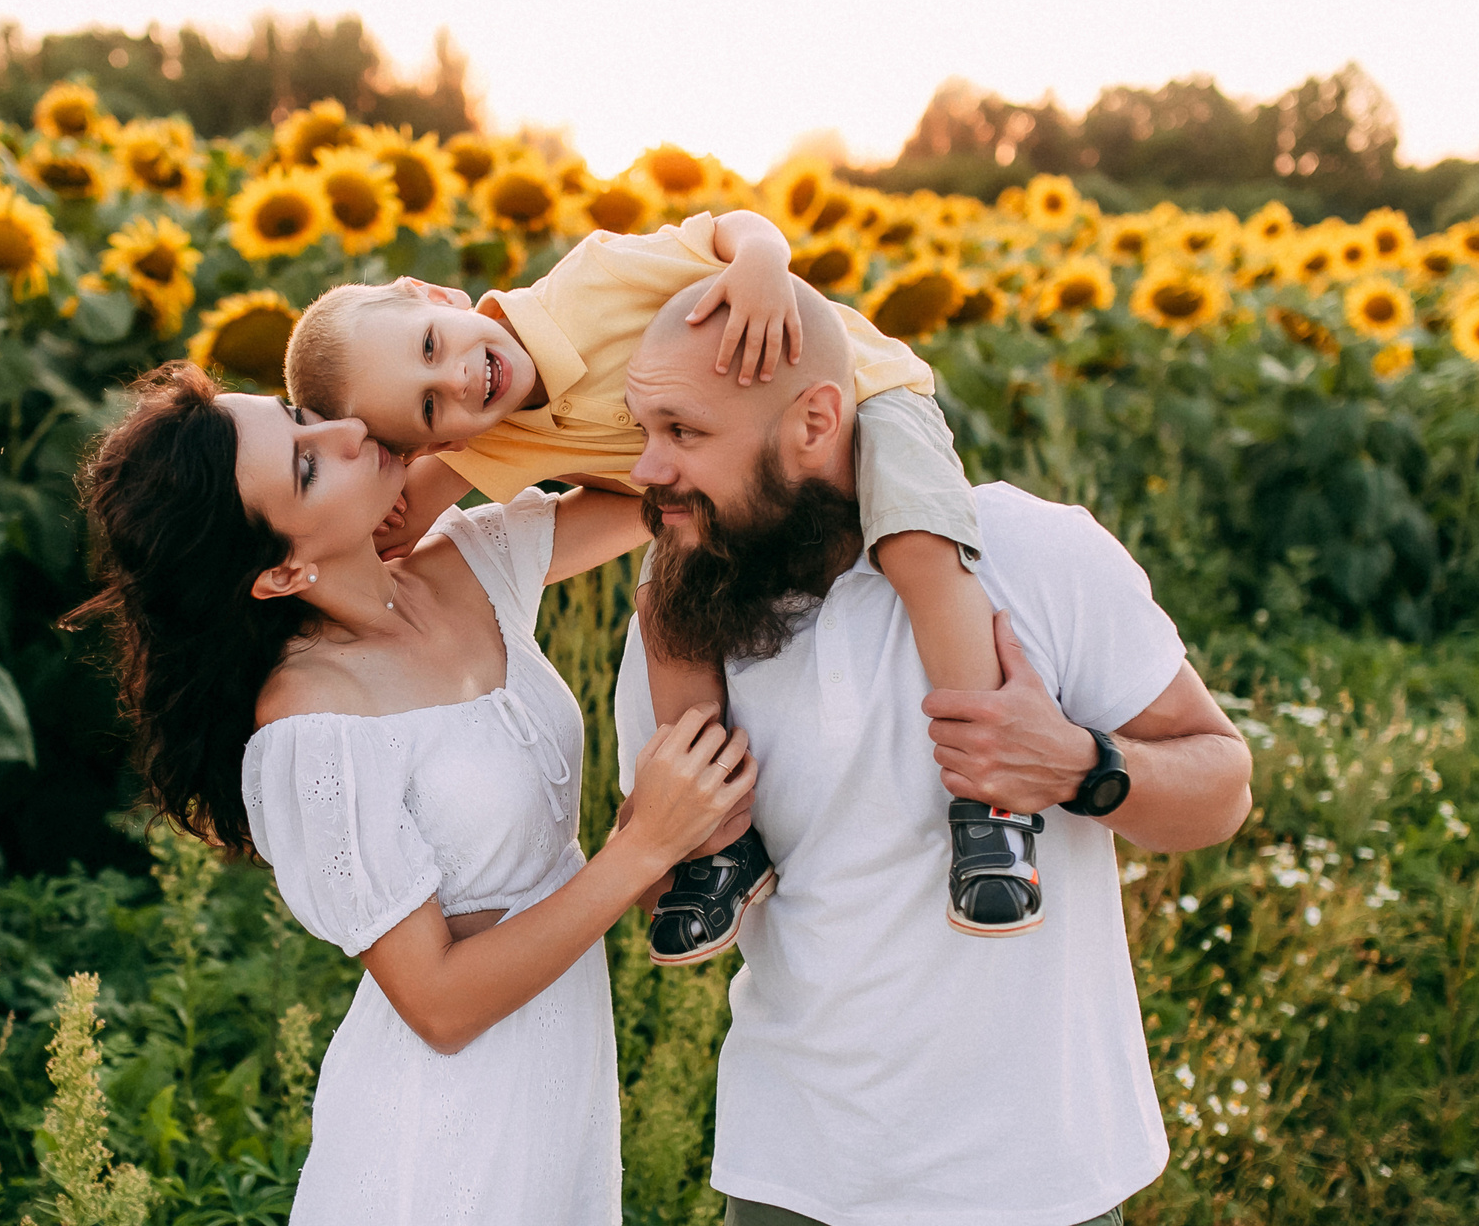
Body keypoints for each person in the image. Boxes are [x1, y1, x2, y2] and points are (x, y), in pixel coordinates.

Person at [68, 362, 757, 1226]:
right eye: (303, 460)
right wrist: (640, 847)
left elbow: (645, 480)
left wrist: (455, 432)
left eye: (298, 415)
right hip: (435, 1143)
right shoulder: (307, 728)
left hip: (548, 1105)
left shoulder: (462, 563)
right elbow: (435, 1003)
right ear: (278, 571)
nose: (341, 429)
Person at [611, 282, 1256, 1226]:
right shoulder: (689, 607)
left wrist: (1077, 764)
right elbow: (670, 866)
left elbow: (1220, 784)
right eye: (641, 428)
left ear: (811, 421)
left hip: (1028, 1188)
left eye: (679, 431)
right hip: (796, 1183)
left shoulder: (1034, 553)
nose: (648, 469)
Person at [281, 209, 1053, 962]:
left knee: (920, 549)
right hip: (731, 497)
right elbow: (412, 504)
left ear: (435, 294)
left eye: (429, 345)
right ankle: (723, 844)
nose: (455, 377)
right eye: (428, 406)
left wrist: (760, 262)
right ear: (435, 439)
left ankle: (989, 802)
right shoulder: (490, 434)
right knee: (668, 611)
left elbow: (726, 226)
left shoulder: (591, 282)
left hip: (857, 392)